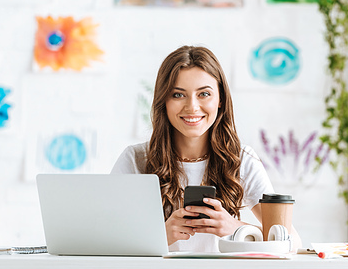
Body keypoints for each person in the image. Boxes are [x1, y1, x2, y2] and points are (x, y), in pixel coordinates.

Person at [111, 45, 301, 252]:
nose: (192, 107)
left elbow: (293, 242)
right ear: (163, 101)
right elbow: (105, 239)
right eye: (178, 95)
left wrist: (234, 228)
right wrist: (161, 235)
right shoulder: (136, 160)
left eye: (204, 94)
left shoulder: (242, 160)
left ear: (220, 100)